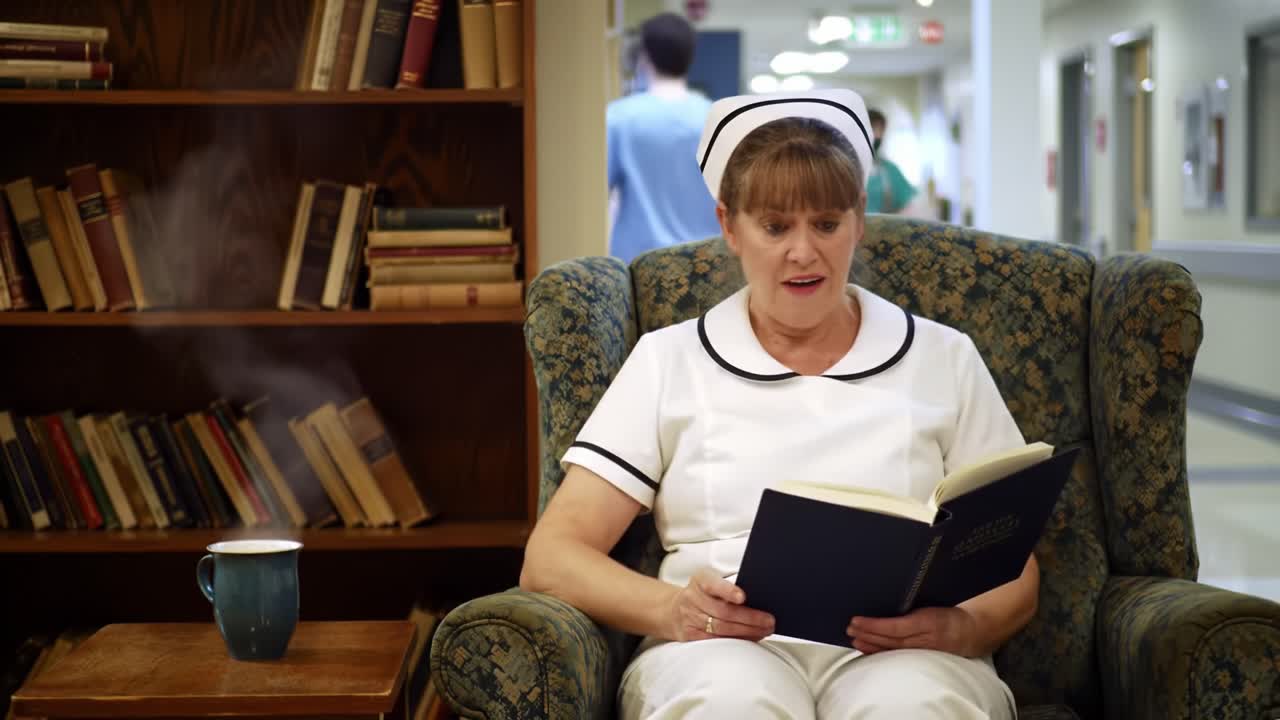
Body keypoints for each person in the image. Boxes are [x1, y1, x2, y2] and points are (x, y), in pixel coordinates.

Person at [521, 88, 1035, 719]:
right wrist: (673, 609)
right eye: (775, 226)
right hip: (717, 650)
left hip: (903, 655)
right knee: (728, 704)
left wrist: (962, 630)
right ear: (728, 226)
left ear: (859, 222)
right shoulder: (669, 360)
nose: (803, 251)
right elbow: (552, 556)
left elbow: (1015, 567)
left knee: (917, 705)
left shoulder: (943, 357)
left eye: (826, 223)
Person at [607, 13, 721, 264]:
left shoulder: (619, 118)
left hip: (641, 269)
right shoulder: (715, 118)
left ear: (643, 56)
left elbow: (596, 193)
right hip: (707, 267)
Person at [865, 108, 918, 214]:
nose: (876, 135)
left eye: (880, 130)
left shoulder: (890, 170)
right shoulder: (844, 168)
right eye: (872, 129)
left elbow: (909, 204)